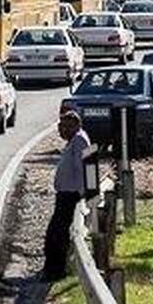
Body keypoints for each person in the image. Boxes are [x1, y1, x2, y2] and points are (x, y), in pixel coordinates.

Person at [43, 111, 92, 281]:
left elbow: (82, 169)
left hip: (70, 196)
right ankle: (52, 268)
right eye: (60, 126)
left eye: (64, 126)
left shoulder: (79, 140)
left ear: (75, 126)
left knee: (57, 233)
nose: (61, 130)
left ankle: (55, 270)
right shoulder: (74, 140)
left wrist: (81, 194)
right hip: (65, 194)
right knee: (55, 232)